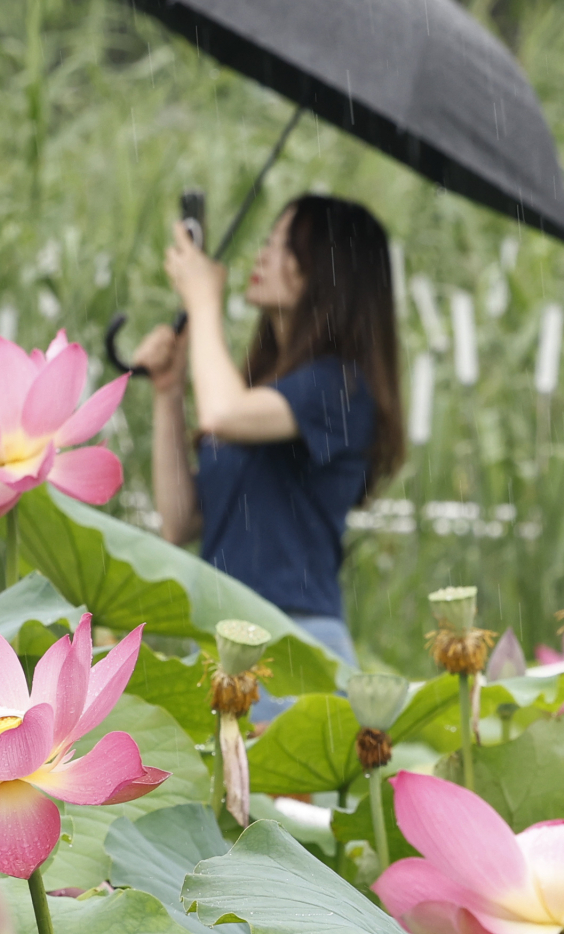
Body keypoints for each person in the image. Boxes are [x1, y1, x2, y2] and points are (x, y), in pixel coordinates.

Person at [133, 193, 404, 672]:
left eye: (283, 246)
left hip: (293, 645)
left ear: (328, 269)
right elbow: (180, 521)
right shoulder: (270, 391)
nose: (262, 255)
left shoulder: (340, 387)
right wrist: (168, 391)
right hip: (221, 646)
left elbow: (221, 414)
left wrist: (202, 303)